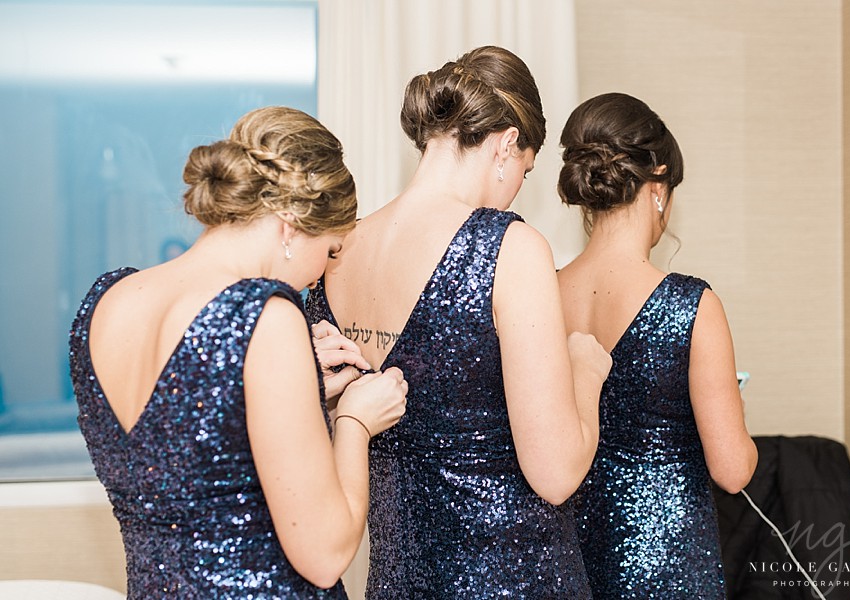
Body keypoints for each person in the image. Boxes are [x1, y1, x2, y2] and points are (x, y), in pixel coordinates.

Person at [305, 46, 611, 599]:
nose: (519, 184)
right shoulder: (509, 248)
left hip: (398, 580)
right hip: (513, 577)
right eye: (526, 168)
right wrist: (584, 370)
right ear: (507, 144)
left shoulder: (338, 248)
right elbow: (557, 473)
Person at [68, 106, 408, 598]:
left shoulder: (107, 301)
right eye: (332, 250)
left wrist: (297, 385)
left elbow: (188, 444)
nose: (322, 272)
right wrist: (355, 421)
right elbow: (324, 554)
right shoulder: (267, 316)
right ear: (291, 224)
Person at [556, 92, 758, 598]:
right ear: (659, 186)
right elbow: (732, 472)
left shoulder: (539, 295)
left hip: (568, 556)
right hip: (667, 568)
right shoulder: (692, 306)